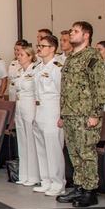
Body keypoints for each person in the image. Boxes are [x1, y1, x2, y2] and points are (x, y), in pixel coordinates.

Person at [56, 21, 105, 207]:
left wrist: (95, 113)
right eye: (71, 31)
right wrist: (62, 114)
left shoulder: (92, 57)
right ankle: (80, 186)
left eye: (75, 31)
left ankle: (90, 190)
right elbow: (66, 89)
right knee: (74, 153)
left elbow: (100, 87)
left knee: (87, 153)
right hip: (70, 114)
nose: (71, 34)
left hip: (85, 114)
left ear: (86, 36)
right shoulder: (70, 57)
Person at [33, 35, 65, 196]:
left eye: (42, 46)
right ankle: (46, 180)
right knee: (41, 148)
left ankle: (58, 183)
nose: (39, 48)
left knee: (53, 149)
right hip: (39, 110)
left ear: (52, 48)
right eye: (38, 45)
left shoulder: (57, 67)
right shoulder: (38, 67)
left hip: (52, 110)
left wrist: (62, 116)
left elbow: (63, 93)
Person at [14, 44, 40, 186]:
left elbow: (37, 91)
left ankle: (34, 176)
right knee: (22, 140)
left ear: (30, 56)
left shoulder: (35, 71)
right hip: (20, 105)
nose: (19, 57)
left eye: (22, 55)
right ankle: (24, 174)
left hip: (30, 105)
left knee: (31, 141)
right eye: (18, 55)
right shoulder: (19, 71)